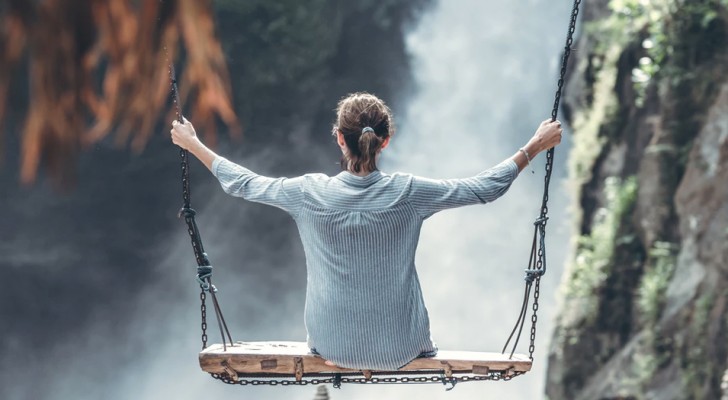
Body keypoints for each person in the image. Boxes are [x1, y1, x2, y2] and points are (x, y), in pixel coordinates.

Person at [170, 92, 562, 371]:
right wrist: (533, 146)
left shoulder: (307, 193)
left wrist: (194, 144)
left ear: (339, 138)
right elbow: (482, 189)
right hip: (403, 349)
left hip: (330, 346)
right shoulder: (410, 193)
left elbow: (244, 183)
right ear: (385, 141)